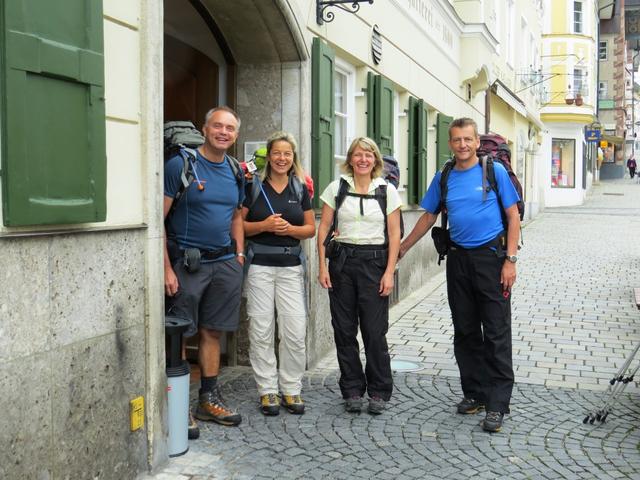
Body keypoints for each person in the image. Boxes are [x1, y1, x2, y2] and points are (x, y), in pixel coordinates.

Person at [399, 117, 520, 433]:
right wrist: (403, 247)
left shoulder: (493, 172)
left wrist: (510, 260)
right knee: (465, 330)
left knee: (495, 331)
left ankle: (497, 404)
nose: (463, 145)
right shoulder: (445, 176)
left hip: (492, 259)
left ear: (477, 142)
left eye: (468, 139)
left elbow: (513, 215)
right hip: (458, 260)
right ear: (450, 143)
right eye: (457, 140)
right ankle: (476, 394)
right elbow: (428, 216)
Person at [164, 106, 245, 435]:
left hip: (225, 263)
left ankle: (207, 401)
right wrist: (167, 269)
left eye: (230, 128)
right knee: (180, 335)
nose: (223, 132)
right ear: (205, 129)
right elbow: (159, 219)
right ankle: (178, 407)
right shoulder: (181, 164)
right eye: (217, 126)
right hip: (187, 264)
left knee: (213, 331)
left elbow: (238, 215)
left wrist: (238, 255)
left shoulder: (235, 170)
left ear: (235, 135)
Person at [317, 137, 401, 415]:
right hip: (341, 263)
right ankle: (352, 388)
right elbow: (324, 228)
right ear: (350, 159)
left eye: (368, 155)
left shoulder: (386, 191)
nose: (363, 159)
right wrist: (321, 266)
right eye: (358, 154)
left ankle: (378, 390)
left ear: (375, 160)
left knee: (374, 332)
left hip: (374, 264)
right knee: (344, 329)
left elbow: (394, 235)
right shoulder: (337, 188)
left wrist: (389, 272)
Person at [242, 132, 315, 416]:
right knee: (261, 329)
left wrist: (290, 230)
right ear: (269, 156)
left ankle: (291, 388)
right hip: (259, 266)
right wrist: (264, 226)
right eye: (277, 153)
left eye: (287, 154)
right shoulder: (254, 187)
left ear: (292, 157)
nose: (282, 158)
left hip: (291, 268)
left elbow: (310, 229)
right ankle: (267, 390)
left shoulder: (300, 189)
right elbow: (240, 226)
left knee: (294, 331)